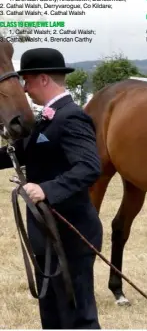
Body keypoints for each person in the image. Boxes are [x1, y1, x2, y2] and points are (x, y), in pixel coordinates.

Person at [0, 48, 103, 328]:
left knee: (79, 317)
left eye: (28, 81)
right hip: (47, 234)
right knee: (53, 317)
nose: (24, 88)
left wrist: (47, 189)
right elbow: (18, 153)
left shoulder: (71, 117)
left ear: (43, 79)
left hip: (71, 233)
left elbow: (89, 167)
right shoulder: (46, 119)